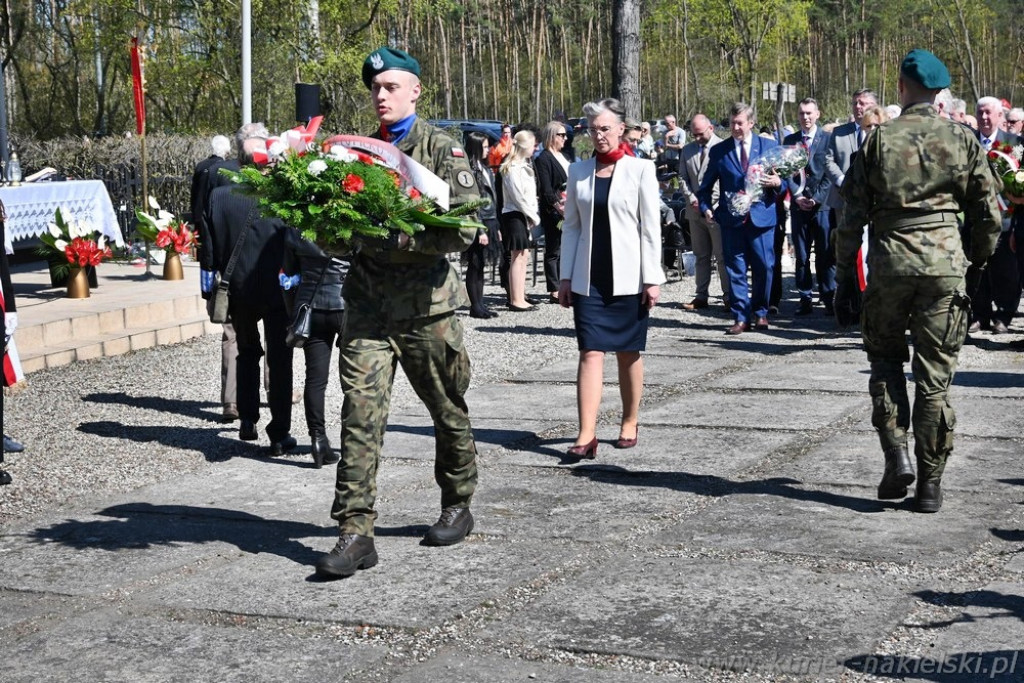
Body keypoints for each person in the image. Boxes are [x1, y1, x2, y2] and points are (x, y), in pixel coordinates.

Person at [316, 47, 481, 579]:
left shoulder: (439, 148)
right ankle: (354, 531)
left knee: (446, 407)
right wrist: (328, 231)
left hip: (426, 308)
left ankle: (457, 501)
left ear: (414, 91)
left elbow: (464, 228)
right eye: (375, 88)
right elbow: (336, 223)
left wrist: (400, 234)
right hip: (366, 306)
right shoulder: (352, 152)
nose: (380, 96)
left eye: (391, 86)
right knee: (359, 417)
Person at [834, 49, 1001, 513]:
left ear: (903, 87)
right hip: (945, 266)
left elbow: (850, 216)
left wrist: (845, 272)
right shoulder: (963, 139)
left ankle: (896, 457)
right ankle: (930, 483)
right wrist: (978, 262)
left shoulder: (878, 139)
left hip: (889, 264)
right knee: (935, 380)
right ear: (939, 92)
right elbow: (988, 212)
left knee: (886, 363)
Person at [558, 98, 665, 459]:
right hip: (590, 276)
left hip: (629, 277)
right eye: (593, 129)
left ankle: (630, 419)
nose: (599, 135)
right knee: (589, 351)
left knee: (628, 353)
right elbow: (571, 227)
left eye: (605, 128)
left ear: (621, 129)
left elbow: (651, 229)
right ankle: (586, 433)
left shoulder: (641, 170)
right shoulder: (578, 172)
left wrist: (652, 278)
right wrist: (566, 276)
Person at [206, 123, 295, 456]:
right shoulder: (281, 195)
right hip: (276, 289)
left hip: (239, 288)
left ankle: (247, 419)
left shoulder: (218, 197)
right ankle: (279, 431)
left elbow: (212, 249)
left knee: (246, 352)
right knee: (280, 358)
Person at [698, 102, 783, 334]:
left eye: (739, 123)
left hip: (761, 217)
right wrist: (706, 208)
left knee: (764, 266)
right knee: (735, 268)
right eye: (732, 122)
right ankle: (740, 317)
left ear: (751, 123)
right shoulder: (719, 151)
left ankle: (761, 312)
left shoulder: (768, 146)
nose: (735, 127)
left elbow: (783, 181)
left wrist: (777, 183)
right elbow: (705, 188)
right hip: (732, 221)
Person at [280, 230, 346, 468]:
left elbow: (287, 275)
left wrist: (293, 312)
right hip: (345, 304)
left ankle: (318, 440)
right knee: (354, 380)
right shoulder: (351, 221)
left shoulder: (295, 228)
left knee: (315, 381)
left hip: (310, 307)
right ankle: (352, 443)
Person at [192, 135, 243, 423]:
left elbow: (207, 241)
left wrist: (206, 285)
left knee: (232, 336)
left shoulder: (209, 183)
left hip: (227, 270)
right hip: (261, 274)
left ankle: (231, 401)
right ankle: (276, 393)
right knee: (273, 335)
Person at [969, 96, 1021, 335]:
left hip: (1006, 217)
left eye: (989, 113)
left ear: (1001, 116)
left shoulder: (1014, 143)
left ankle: (1004, 315)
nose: (984, 118)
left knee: (1006, 272)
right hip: (975, 218)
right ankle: (980, 315)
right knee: (977, 269)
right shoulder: (968, 142)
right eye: (980, 113)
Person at [783, 98, 834, 315]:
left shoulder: (829, 139)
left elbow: (831, 172)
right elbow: (786, 170)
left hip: (821, 206)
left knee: (825, 254)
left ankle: (828, 296)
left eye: (809, 113)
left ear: (818, 114)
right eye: (802, 113)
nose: (805, 117)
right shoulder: (790, 140)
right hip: (799, 206)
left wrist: (818, 198)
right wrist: (796, 196)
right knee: (802, 256)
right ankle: (805, 297)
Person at [678, 113, 729, 310]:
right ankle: (701, 296)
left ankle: (728, 297)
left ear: (711, 128)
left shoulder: (723, 147)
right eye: (694, 135)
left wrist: (708, 202)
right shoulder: (687, 150)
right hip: (694, 211)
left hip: (716, 210)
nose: (697, 138)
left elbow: (725, 178)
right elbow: (682, 178)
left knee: (722, 256)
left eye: (700, 134)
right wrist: (693, 200)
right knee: (700, 255)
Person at [463, 131, 503, 318]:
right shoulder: (470, 171)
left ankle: (480, 303)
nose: (489, 149)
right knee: (475, 263)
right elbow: (471, 203)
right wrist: (479, 229)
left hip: (490, 219)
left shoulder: (485, 168)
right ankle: (475, 305)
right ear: (476, 147)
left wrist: (496, 226)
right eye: (485, 146)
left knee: (481, 265)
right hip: (478, 222)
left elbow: (492, 198)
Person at [500, 129, 540, 311]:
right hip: (514, 214)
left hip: (523, 215)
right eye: (532, 145)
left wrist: (530, 214)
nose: (534, 149)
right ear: (525, 147)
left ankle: (520, 295)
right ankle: (515, 299)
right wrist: (533, 215)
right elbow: (518, 196)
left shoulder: (524, 165)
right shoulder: (511, 168)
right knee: (517, 256)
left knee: (524, 256)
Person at [534, 121, 571, 303]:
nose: (565, 138)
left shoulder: (563, 156)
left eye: (565, 135)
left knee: (566, 249)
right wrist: (559, 207)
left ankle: (564, 285)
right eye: (561, 135)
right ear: (551, 136)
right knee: (553, 249)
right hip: (554, 211)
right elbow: (546, 190)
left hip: (568, 208)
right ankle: (554, 289)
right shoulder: (543, 158)